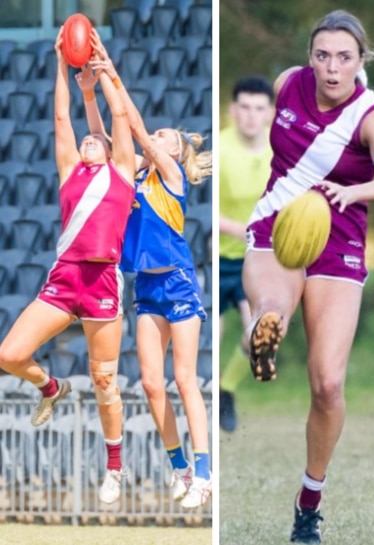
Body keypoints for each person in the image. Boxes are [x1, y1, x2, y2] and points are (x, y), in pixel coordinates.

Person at [243, 10, 374, 544]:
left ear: (361, 60)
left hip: (340, 242)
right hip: (277, 224)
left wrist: (351, 193)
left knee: (328, 383)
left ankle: (308, 503)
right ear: (309, 56)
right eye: (322, 55)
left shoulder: (372, 117)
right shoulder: (289, 83)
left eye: (343, 58)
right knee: (273, 302)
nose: (331, 68)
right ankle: (264, 327)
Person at [0, 29, 135, 504]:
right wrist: (62, 63)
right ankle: (50, 387)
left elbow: (119, 116)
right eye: (85, 140)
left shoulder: (122, 172)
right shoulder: (69, 171)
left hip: (101, 283)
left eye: (95, 139)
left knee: (104, 382)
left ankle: (115, 468)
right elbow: (61, 116)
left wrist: (101, 74)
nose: (87, 141)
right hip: (64, 280)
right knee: (9, 354)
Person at [87, 33, 214, 510]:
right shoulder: (133, 177)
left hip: (178, 280)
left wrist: (112, 72)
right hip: (147, 288)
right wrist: (91, 87)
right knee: (150, 383)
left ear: (175, 153)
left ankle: (204, 474)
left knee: (185, 379)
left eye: (166, 138)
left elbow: (134, 128)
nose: (155, 138)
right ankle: (180, 467)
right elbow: (106, 137)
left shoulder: (173, 178)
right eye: (158, 135)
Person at [219, 75, 274, 432]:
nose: (251, 115)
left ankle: (226, 390)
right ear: (232, 110)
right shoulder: (218, 150)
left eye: (259, 108)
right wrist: (235, 227)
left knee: (258, 336)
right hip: (216, 256)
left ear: (270, 113)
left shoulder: (278, 151)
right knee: (209, 334)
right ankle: (205, 396)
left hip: (255, 259)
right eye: (245, 107)